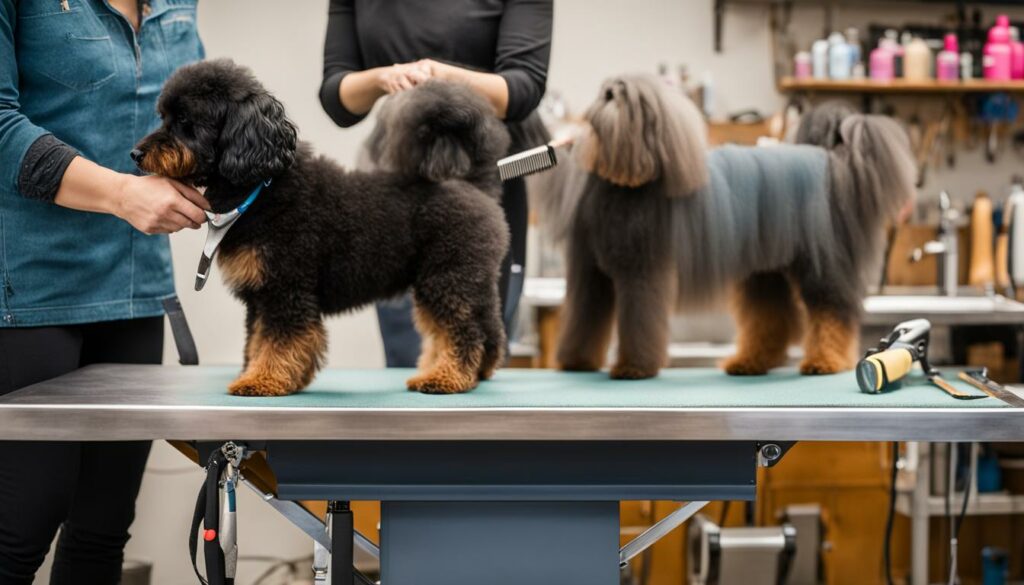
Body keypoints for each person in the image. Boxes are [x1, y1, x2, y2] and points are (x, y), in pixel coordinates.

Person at [0, 1, 207, 583]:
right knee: (22, 525)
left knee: (103, 527)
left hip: (136, 290)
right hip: (31, 293)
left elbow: (200, 112)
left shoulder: (176, 4)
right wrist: (122, 194)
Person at [319, 0, 553, 367]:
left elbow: (522, 89)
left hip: (487, 185)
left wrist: (437, 74)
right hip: (394, 191)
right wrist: (383, 77)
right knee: (404, 354)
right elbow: (336, 96)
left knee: (475, 348)